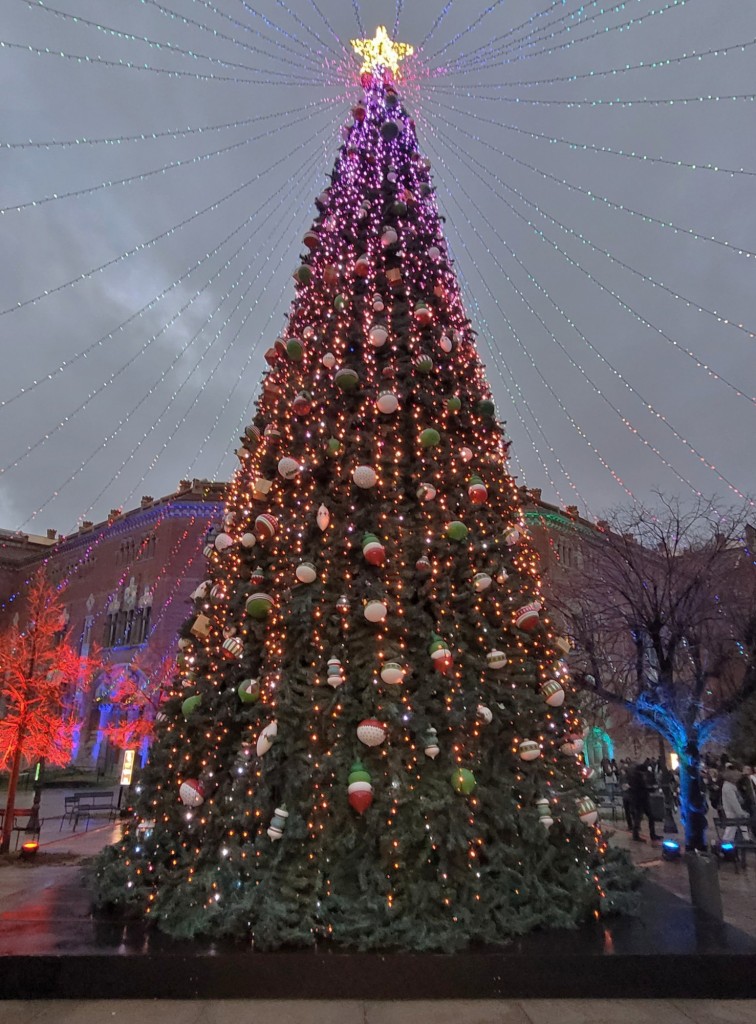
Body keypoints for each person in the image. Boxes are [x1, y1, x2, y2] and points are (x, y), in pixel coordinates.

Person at [628, 761, 659, 842]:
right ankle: (636, 835)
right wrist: (651, 789)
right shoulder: (637, 778)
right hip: (640, 801)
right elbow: (641, 789)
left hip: (642, 800)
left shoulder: (636, 777)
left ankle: (652, 835)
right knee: (639, 818)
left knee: (647, 817)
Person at [721, 764, 751, 844]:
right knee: (730, 831)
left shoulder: (732, 786)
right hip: (732, 814)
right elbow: (734, 804)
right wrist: (742, 813)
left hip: (734, 815)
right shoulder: (728, 788)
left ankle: (746, 839)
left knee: (735, 828)